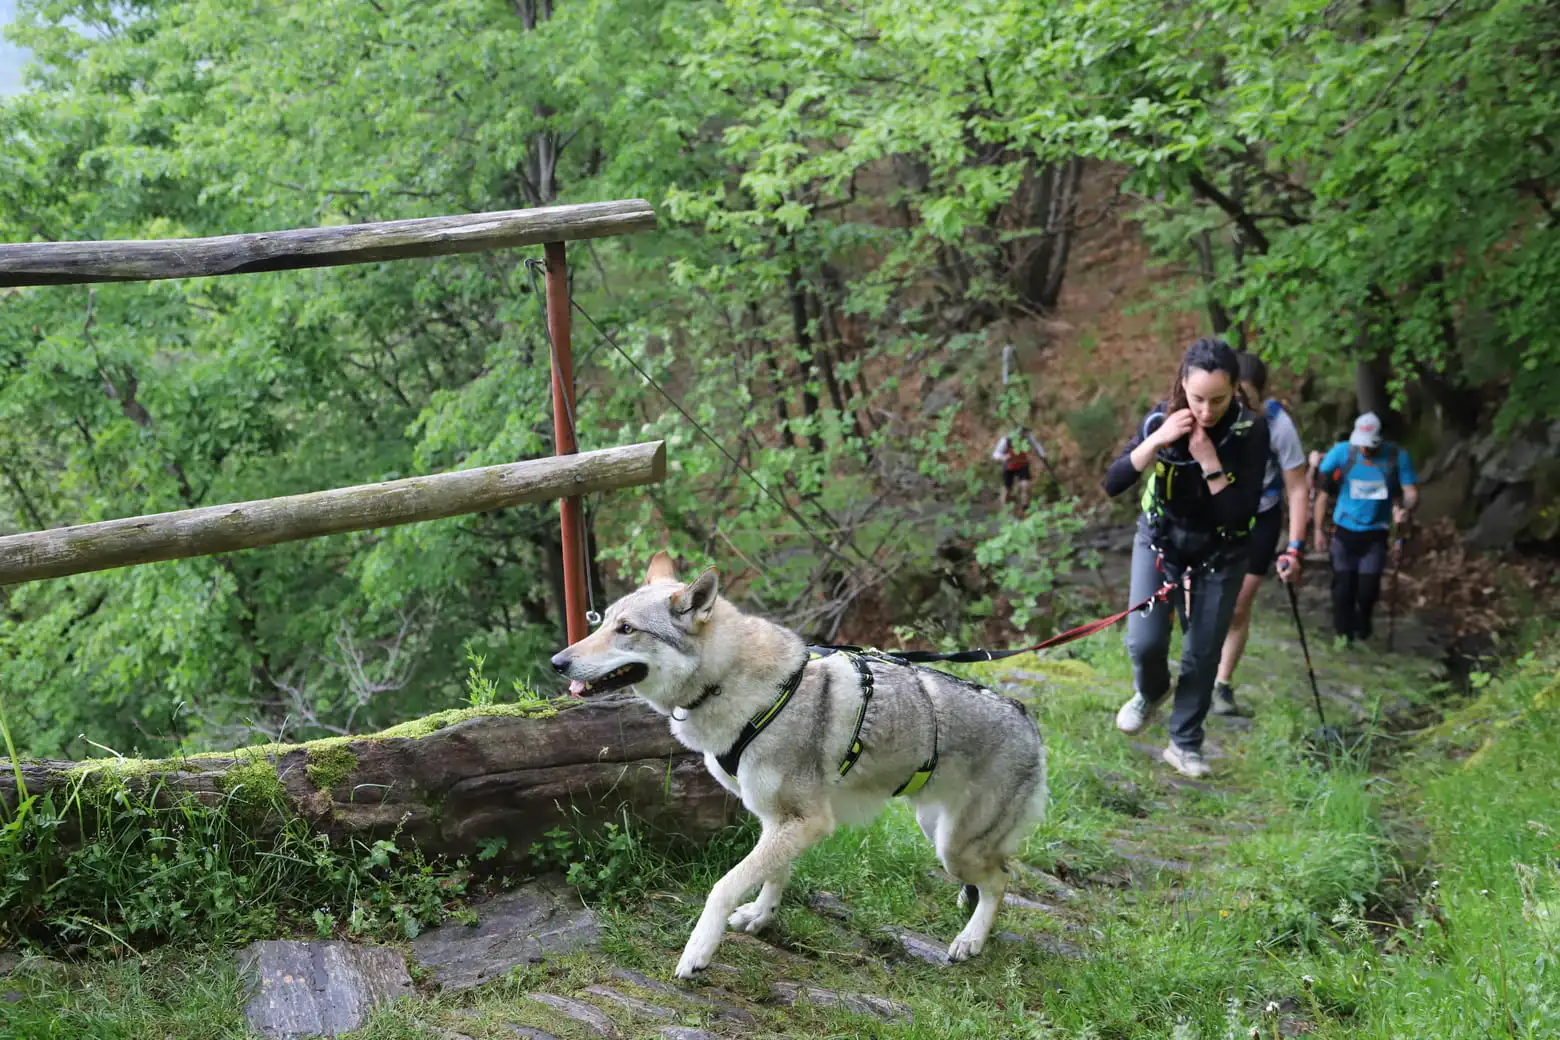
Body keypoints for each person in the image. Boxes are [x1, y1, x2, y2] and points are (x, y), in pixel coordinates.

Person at [1103, 337, 1269, 779]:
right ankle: (1151, 691)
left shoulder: (1251, 431)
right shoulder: (1162, 417)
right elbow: (1114, 482)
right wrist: (1156, 439)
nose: (1206, 411)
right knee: (1144, 642)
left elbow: (1240, 514)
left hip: (1222, 551)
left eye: (1218, 399)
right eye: (1197, 398)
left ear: (1236, 388)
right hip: (1161, 542)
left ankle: (1185, 743)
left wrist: (1208, 458)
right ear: (1182, 385)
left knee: (1202, 651)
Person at [1210, 352, 1308, 716]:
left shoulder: (1278, 425)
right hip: (1215, 517)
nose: (1238, 402)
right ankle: (1197, 672)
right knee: (1200, 603)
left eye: (1244, 394)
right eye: (1231, 393)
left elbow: (1298, 488)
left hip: (1259, 518)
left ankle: (1222, 685)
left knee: (1238, 606)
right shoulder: (1211, 413)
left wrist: (1295, 547)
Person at [1312, 412, 1419, 646]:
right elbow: (1321, 488)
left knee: (1367, 590)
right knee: (1343, 586)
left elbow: (1410, 492)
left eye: (1369, 446)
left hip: (1375, 534)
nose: (1364, 451)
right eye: (1361, 445)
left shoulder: (1396, 457)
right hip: (1344, 530)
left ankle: (1363, 623)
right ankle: (1342, 635)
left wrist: (1405, 509)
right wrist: (1318, 529)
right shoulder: (1343, 452)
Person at [992, 426, 1046, 516]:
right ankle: (1004, 510)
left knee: (1026, 486)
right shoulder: (1006, 439)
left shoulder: (1028, 437)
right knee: (1007, 489)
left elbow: (1036, 445)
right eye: (1022, 432)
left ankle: (1025, 509)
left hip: (1022, 464)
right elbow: (995, 454)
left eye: (1025, 432)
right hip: (1009, 466)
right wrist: (1003, 457)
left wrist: (1043, 454)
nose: (1024, 435)